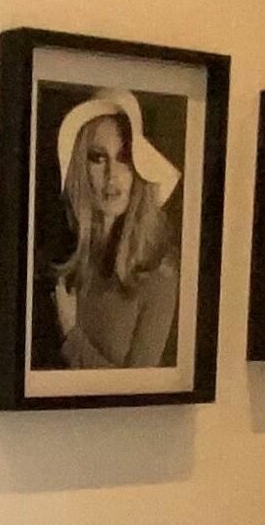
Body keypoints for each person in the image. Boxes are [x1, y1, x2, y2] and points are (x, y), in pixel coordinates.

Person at [45, 91, 182, 368]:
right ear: (82, 168)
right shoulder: (64, 260)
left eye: (124, 158)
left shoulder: (160, 270)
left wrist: (71, 335)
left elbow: (138, 388)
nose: (112, 175)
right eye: (98, 158)